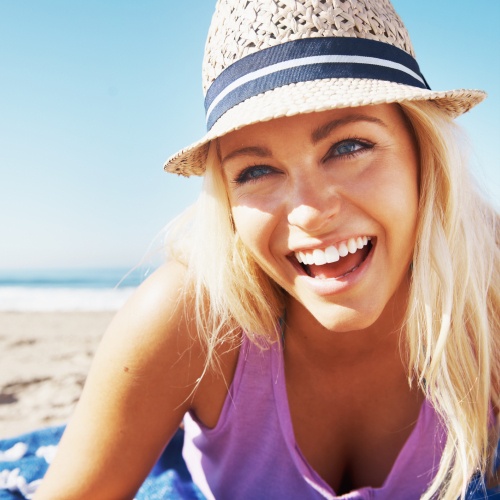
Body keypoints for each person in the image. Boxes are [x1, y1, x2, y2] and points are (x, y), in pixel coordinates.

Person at [35, 0, 499, 498]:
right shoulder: (189, 318)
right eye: (256, 171)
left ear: (421, 153)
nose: (309, 211)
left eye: (348, 147)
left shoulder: (488, 294)